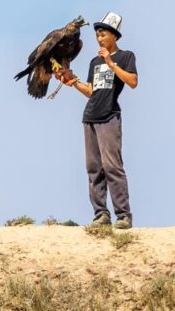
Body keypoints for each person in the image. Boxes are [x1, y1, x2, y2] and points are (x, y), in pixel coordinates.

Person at [56, 12, 138, 228]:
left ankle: (124, 215)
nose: (99, 39)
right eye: (97, 36)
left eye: (103, 35)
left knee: (113, 166)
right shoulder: (94, 62)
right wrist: (72, 81)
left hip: (110, 115)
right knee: (94, 168)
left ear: (114, 36)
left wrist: (111, 64)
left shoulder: (126, 56)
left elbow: (132, 81)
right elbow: (91, 90)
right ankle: (101, 214)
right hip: (90, 116)